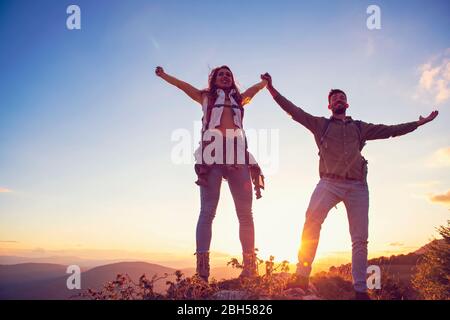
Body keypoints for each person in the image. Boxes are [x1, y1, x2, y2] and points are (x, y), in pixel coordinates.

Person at [260, 72, 439, 300]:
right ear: (329, 105)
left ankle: (360, 290)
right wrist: (271, 89)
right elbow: (294, 112)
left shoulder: (360, 127)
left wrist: (419, 123)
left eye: (341, 97)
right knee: (311, 222)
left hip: (357, 187)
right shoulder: (320, 124)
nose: (338, 100)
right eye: (334, 98)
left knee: (360, 238)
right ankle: (302, 276)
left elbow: (390, 130)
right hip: (328, 183)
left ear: (347, 103)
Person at [155, 65, 267, 281]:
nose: (225, 77)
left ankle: (250, 269)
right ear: (213, 79)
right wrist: (164, 75)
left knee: (245, 213)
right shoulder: (204, 96)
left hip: (237, 156)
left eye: (228, 74)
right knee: (207, 212)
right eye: (220, 74)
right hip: (211, 154)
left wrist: (264, 83)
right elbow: (182, 86)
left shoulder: (240, 99)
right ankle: (202, 274)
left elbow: (253, 91)